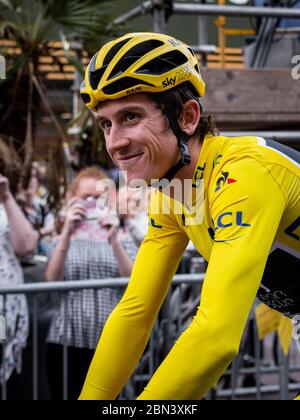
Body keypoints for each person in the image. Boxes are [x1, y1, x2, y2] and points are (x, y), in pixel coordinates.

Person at [79, 32, 300, 400]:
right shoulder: (171, 193)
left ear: (187, 116)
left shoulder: (242, 173)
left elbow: (215, 337)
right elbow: (135, 312)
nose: (114, 143)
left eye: (130, 117)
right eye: (106, 124)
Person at [44, 167, 138, 400]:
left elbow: (132, 279)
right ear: (72, 198)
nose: (92, 203)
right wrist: (66, 233)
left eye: (98, 198)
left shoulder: (123, 236)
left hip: (108, 340)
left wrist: (114, 239)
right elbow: (51, 279)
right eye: (85, 197)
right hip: (66, 336)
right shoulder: (61, 237)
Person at [0, 169, 38, 396]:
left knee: (6, 367)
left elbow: (26, 246)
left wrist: (6, 197)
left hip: (5, 309)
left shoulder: (6, 204)